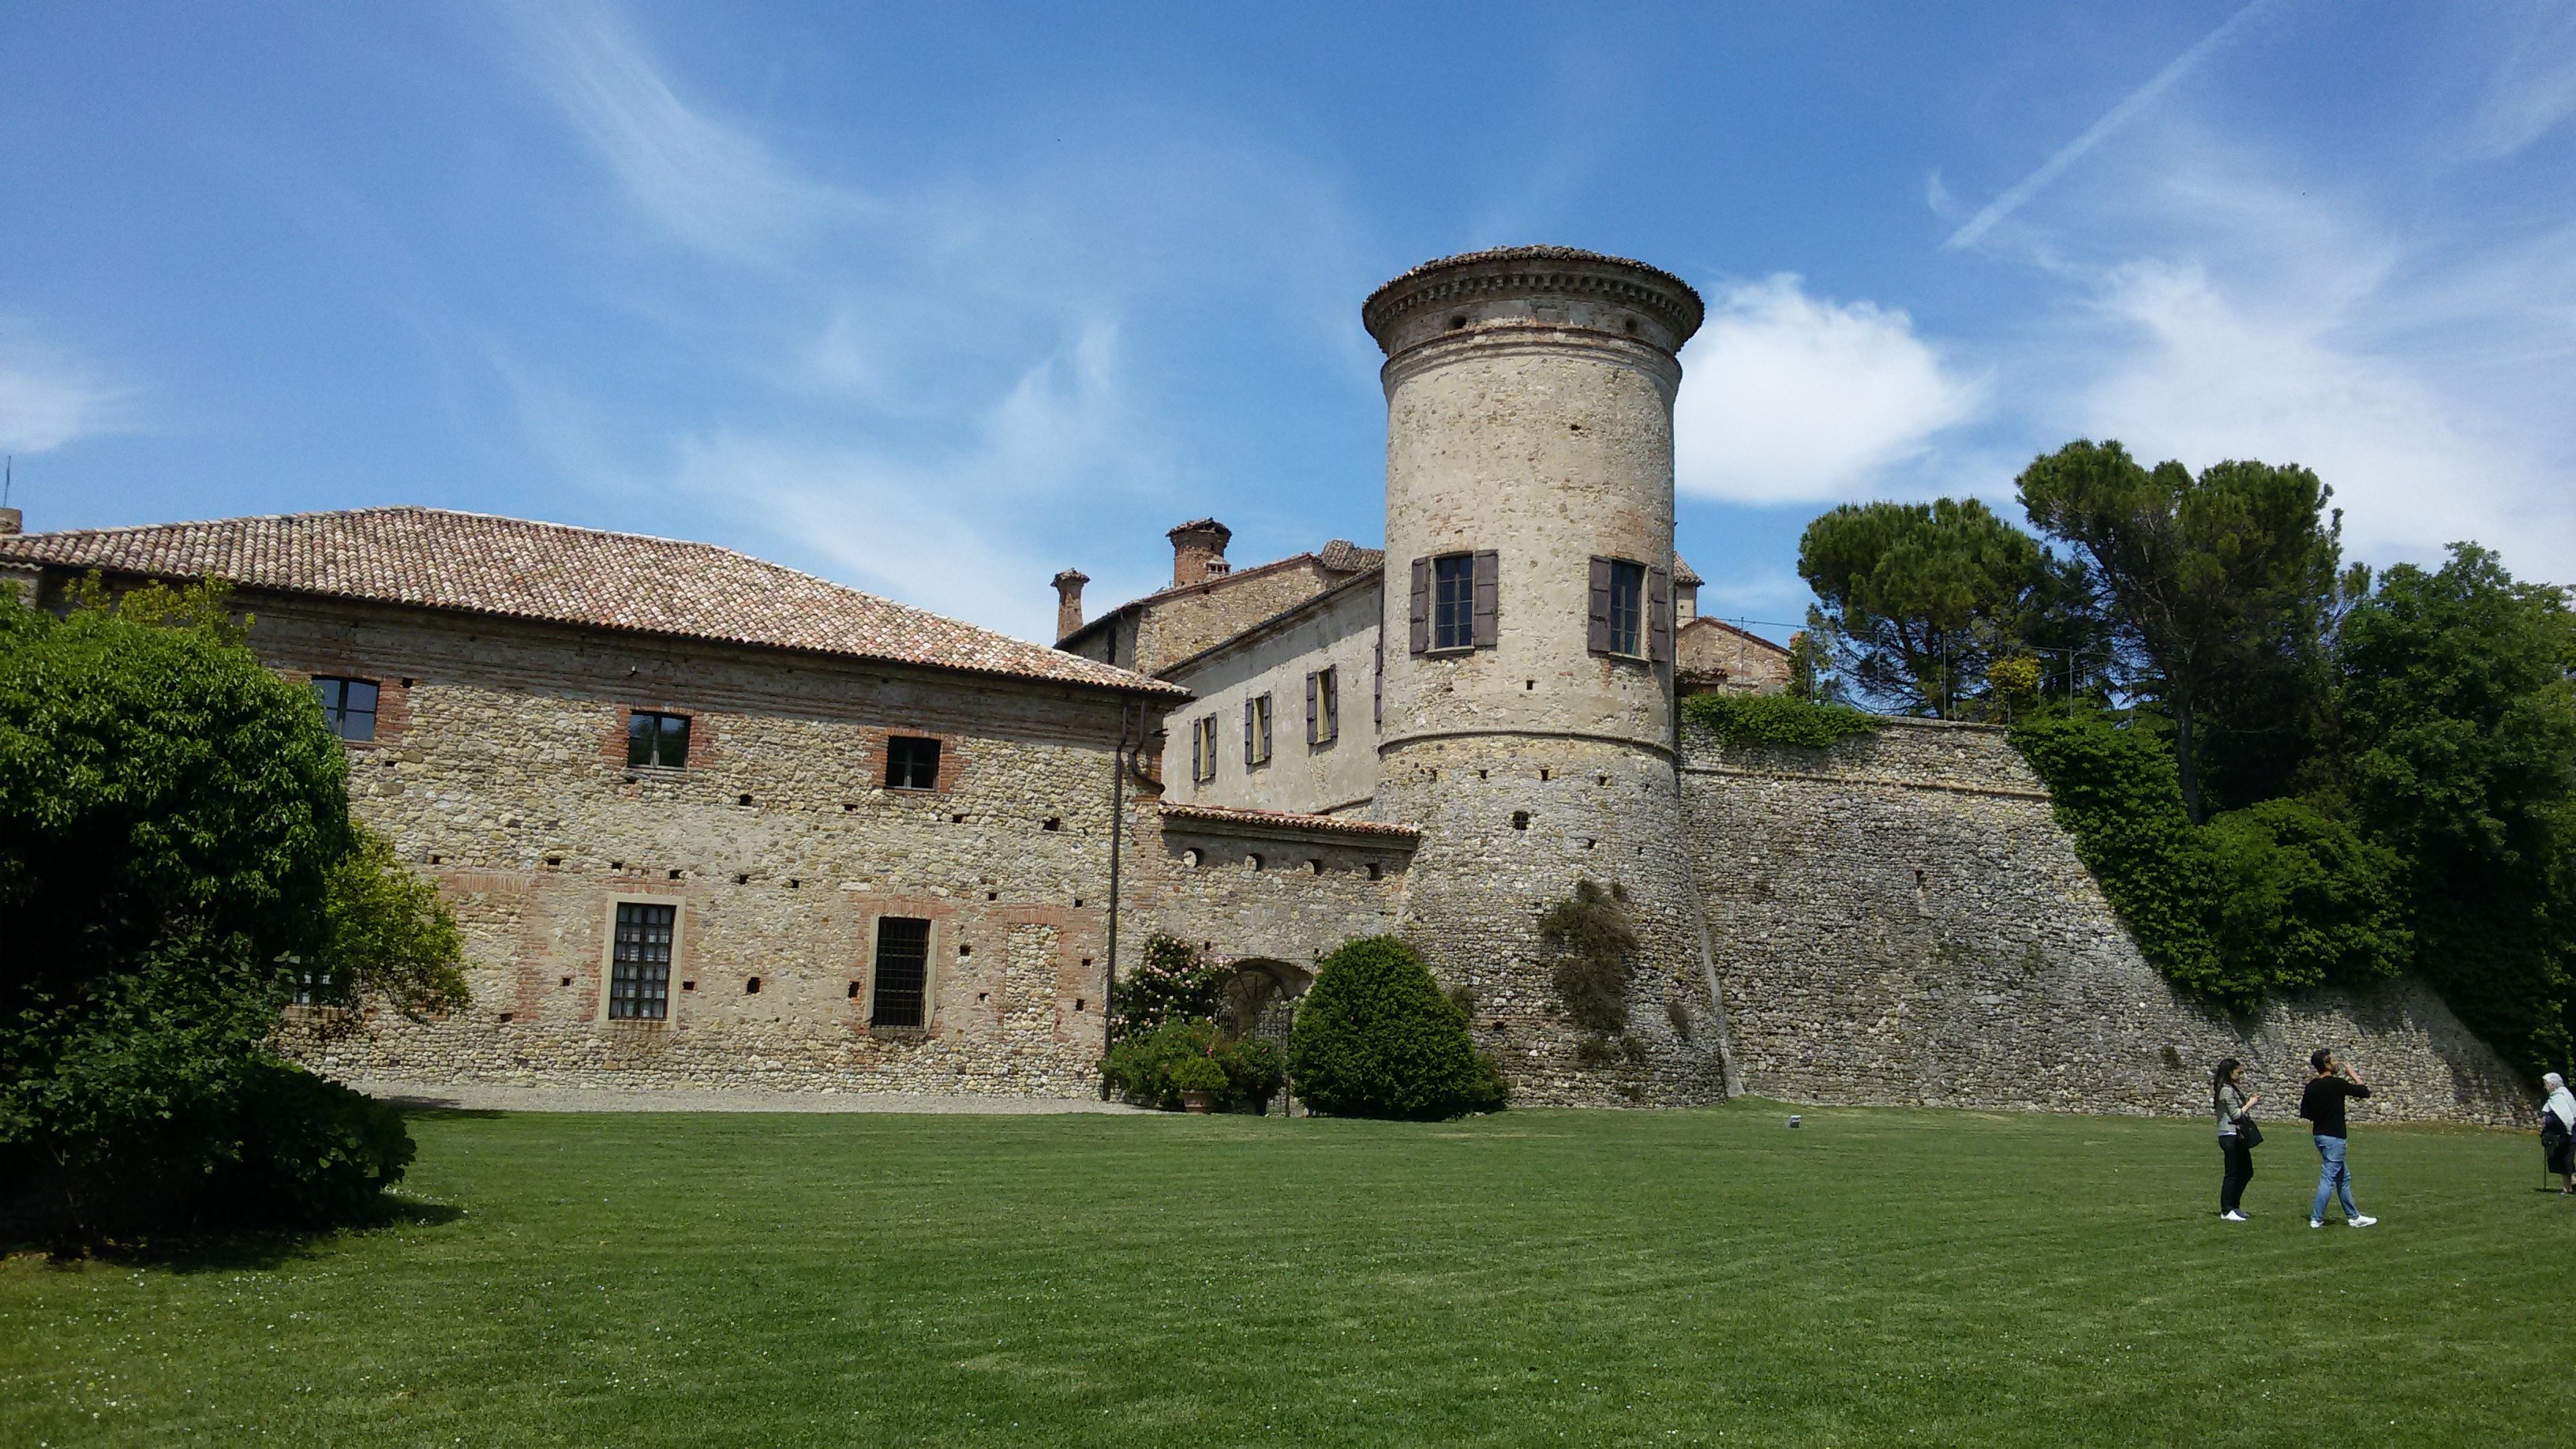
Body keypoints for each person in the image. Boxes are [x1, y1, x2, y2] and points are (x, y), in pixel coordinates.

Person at [2298, 1047, 2378, 1229]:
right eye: (2333, 1061)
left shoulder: (2311, 1086)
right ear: (2326, 1064)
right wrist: (2353, 1075)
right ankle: (2316, 1218)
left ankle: (2354, 1216)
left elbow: (2306, 1113)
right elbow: (2364, 1092)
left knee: (2343, 1177)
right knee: (2328, 1178)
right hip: (2335, 1137)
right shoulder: (2336, 1084)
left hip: (2319, 1136)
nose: (2336, 1064)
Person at [2213, 1058, 2260, 1221]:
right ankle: (2226, 1210)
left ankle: (2234, 1205)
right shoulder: (2225, 1090)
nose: (2240, 1076)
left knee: (2246, 1171)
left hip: (2237, 1135)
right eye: (2239, 1072)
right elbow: (2236, 1114)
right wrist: (2250, 1104)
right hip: (2229, 1135)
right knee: (2232, 1173)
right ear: (2229, 1071)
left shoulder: (2231, 1088)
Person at [2542, 1072, 2576, 1196]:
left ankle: (2571, 1184)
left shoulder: (2561, 1096)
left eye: (2546, 1084)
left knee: (2566, 1160)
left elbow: (2564, 1116)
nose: (2545, 1087)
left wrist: (2548, 1120)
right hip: (2561, 1133)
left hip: (2569, 1133)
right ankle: (2568, 1188)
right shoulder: (2556, 1096)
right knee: (2562, 1160)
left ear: (2553, 1084)